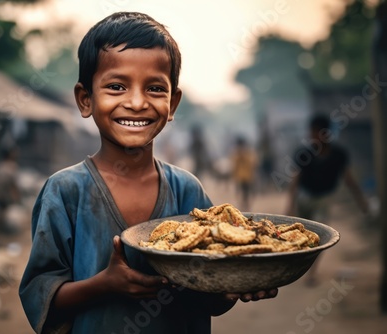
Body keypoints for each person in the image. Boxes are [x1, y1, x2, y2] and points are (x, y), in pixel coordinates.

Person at [19, 12, 277, 334]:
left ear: (173, 104)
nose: (138, 102)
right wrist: (104, 284)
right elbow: (40, 296)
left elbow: (209, 298)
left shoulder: (187, 191)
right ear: (85, 99)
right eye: (116, 86)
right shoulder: (65, 192)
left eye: (155, 88)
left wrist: (238, 284)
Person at [286, 114, 369, 285]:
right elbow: (296, 180)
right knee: (301, 233)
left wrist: (361, 201)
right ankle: (300, 267)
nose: (312, 136)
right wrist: (290, 206)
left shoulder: (338, 155)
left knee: (318, 236)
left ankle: (311, 272)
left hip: (324, 198)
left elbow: (349, 179)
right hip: (305, 197)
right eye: (312, 132)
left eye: (315, 132)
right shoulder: (304, 154)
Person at [230, 137, 258, 211]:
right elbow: (234, 165)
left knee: (246, 191)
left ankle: (246, 204)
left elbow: (253, 163)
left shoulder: (248, 153)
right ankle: (243, 204)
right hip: (240, 176)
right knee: (241, 191)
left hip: (247, 176)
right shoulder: (236, 154)